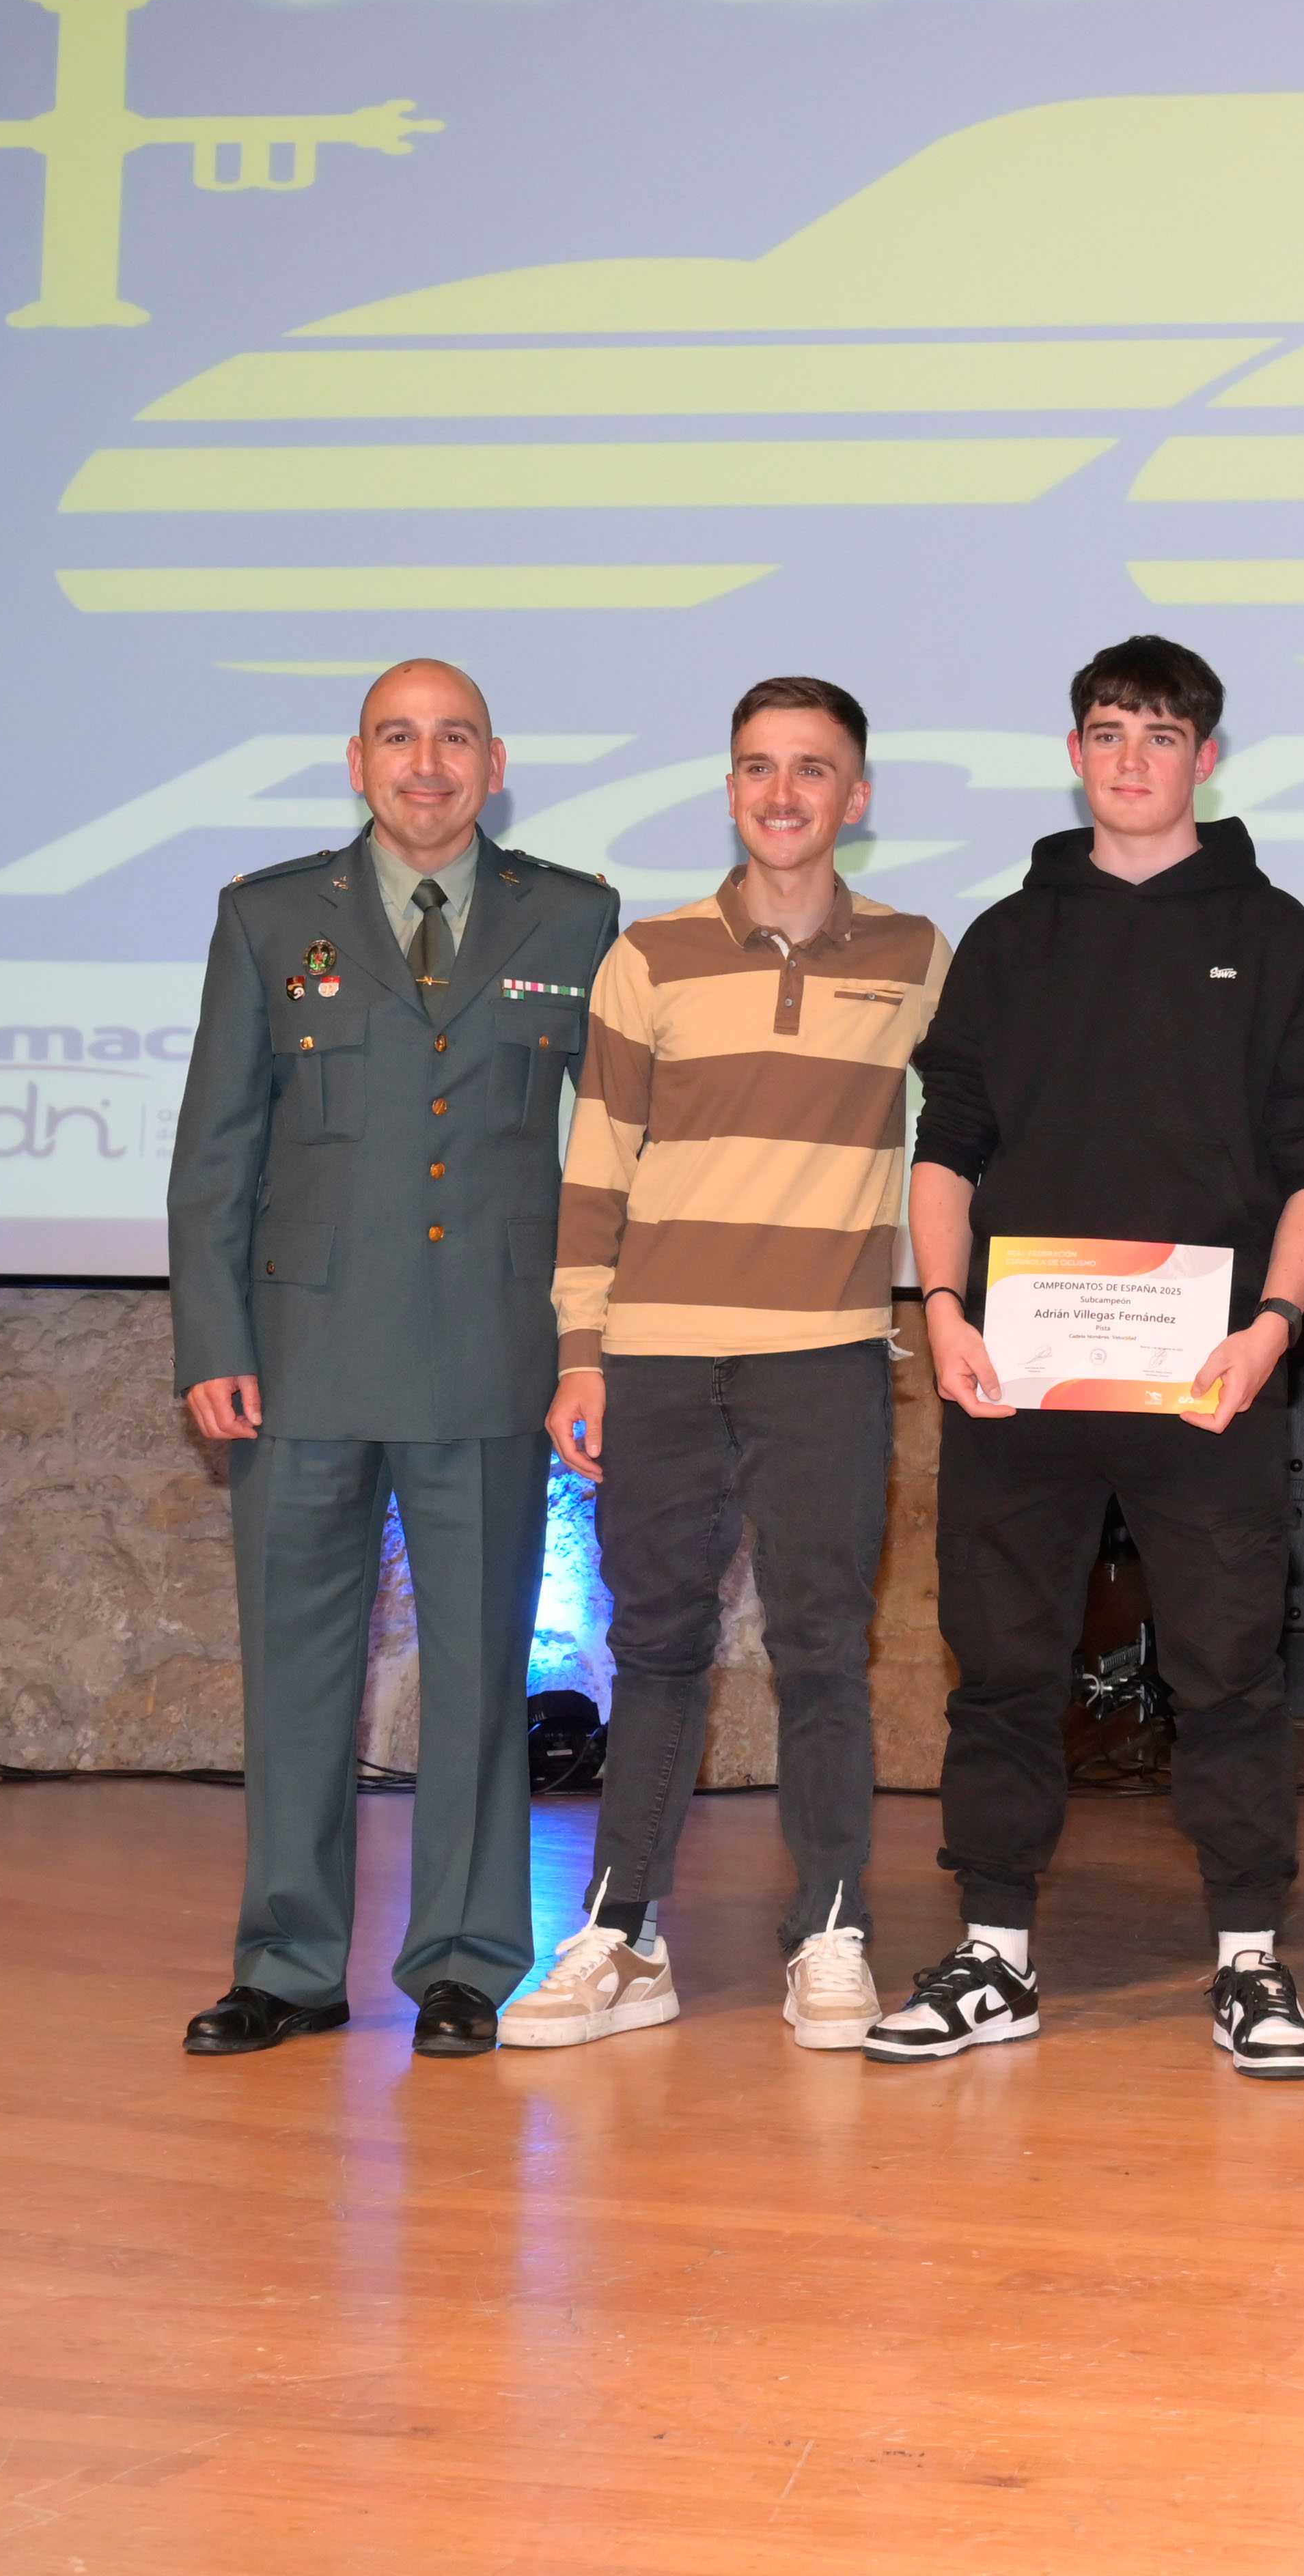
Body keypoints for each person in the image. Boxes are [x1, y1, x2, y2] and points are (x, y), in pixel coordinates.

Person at [869, 635, 1304, 2077]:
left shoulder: (1279, 938)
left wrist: (1274, 1326)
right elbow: (947, 1140)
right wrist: (944, 1307)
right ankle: (997, 1953)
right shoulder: (1011, 940)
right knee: (1005, 1661)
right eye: (1107, 731)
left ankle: (1252, 1960)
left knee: (1229, 1668)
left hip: (1204, 1373)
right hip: (1013, 1371)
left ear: (1206, 756)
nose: (1132, 756)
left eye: (1161, 733)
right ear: (1075, 752)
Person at [167, 658, 621, 2058]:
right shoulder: (266, 917)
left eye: (456, 739)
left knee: (483, 1673)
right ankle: (291, 1960)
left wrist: (594, 1342)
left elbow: (609, 1155)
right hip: (298, 1357)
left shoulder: (578, 915)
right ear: (356, 761)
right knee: (297, 1669)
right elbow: (217, 1148)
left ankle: (467, 1959)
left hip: (491, 1349)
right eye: (399, 738)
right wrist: (212, 1336)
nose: (427, 764)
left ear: (498, 763)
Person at [507, 676, 949, 2051]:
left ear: (855, 796)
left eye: (812, 769)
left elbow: (1002, 1119)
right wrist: (581, 1351)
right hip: (657, 1359)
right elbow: (597, 1169)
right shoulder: (649, 957)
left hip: (822, 1356)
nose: (783, 792)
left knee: (826, 1648)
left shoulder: (921, 954)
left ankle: (829, 1926)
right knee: (656, 1646)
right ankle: (622, 1932)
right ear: (732, 788)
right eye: (758, 766)